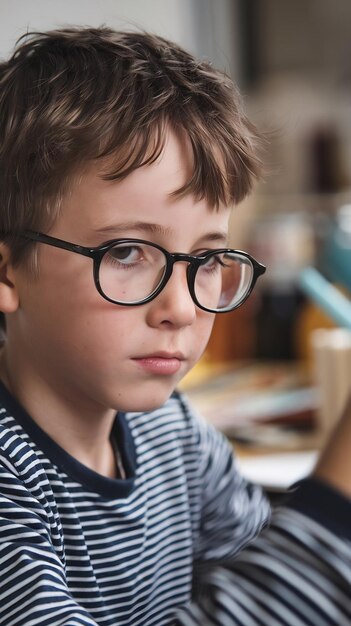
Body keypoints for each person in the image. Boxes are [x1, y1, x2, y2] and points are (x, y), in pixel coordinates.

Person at [0, 27, 349, 626]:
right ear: (8, 272)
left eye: (209, 260)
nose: (182, 309)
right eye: (129, 253)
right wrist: (336, 502)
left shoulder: (174, 436)